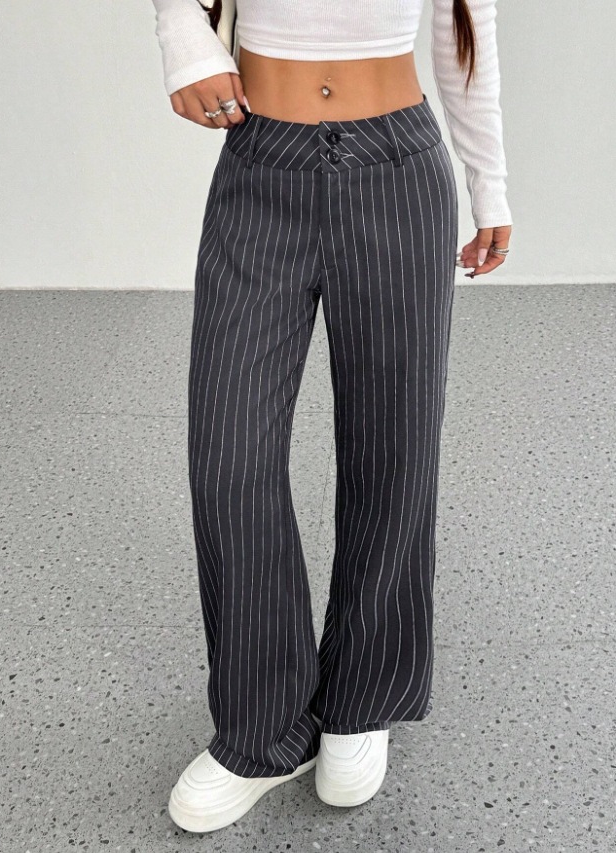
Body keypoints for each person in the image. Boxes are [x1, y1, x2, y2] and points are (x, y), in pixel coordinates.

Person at [150, 0, 513, 834]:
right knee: (228, 459)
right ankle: (263, 730)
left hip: (397, 167)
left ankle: (362, 695)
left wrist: (488, 184)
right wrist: (180, 33)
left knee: (395, 447)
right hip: (261, 166)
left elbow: (468, 27)